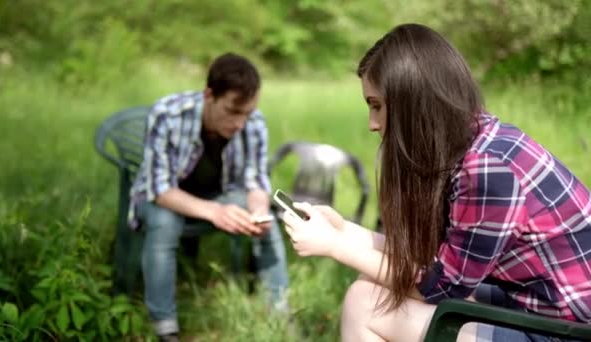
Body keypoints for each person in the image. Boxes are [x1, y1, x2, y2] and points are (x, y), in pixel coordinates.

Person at [281, 23, 591, 342]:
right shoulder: (475, 140)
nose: (372, 124)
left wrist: (335, 246)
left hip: (564, 332)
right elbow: (437, 265)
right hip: (533, 305)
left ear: (411, 101)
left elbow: (443, 290)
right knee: (369, 287)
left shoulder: (486, 170)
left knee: (364, 304)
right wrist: (345, 231)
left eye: (377, 106)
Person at [128, 53, 289, 340]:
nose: (240, 122)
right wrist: (215, 212)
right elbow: (160, 189)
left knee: (269, 220)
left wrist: (258, 210)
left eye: (247, 113)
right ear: (209, 95)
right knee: (165, 224)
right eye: (232, 111)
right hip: (164, 198)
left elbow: (256, 181)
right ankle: (164, 327)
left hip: (219, 195)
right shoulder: (167, 114)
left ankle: (279, 311)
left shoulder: (253, 122)